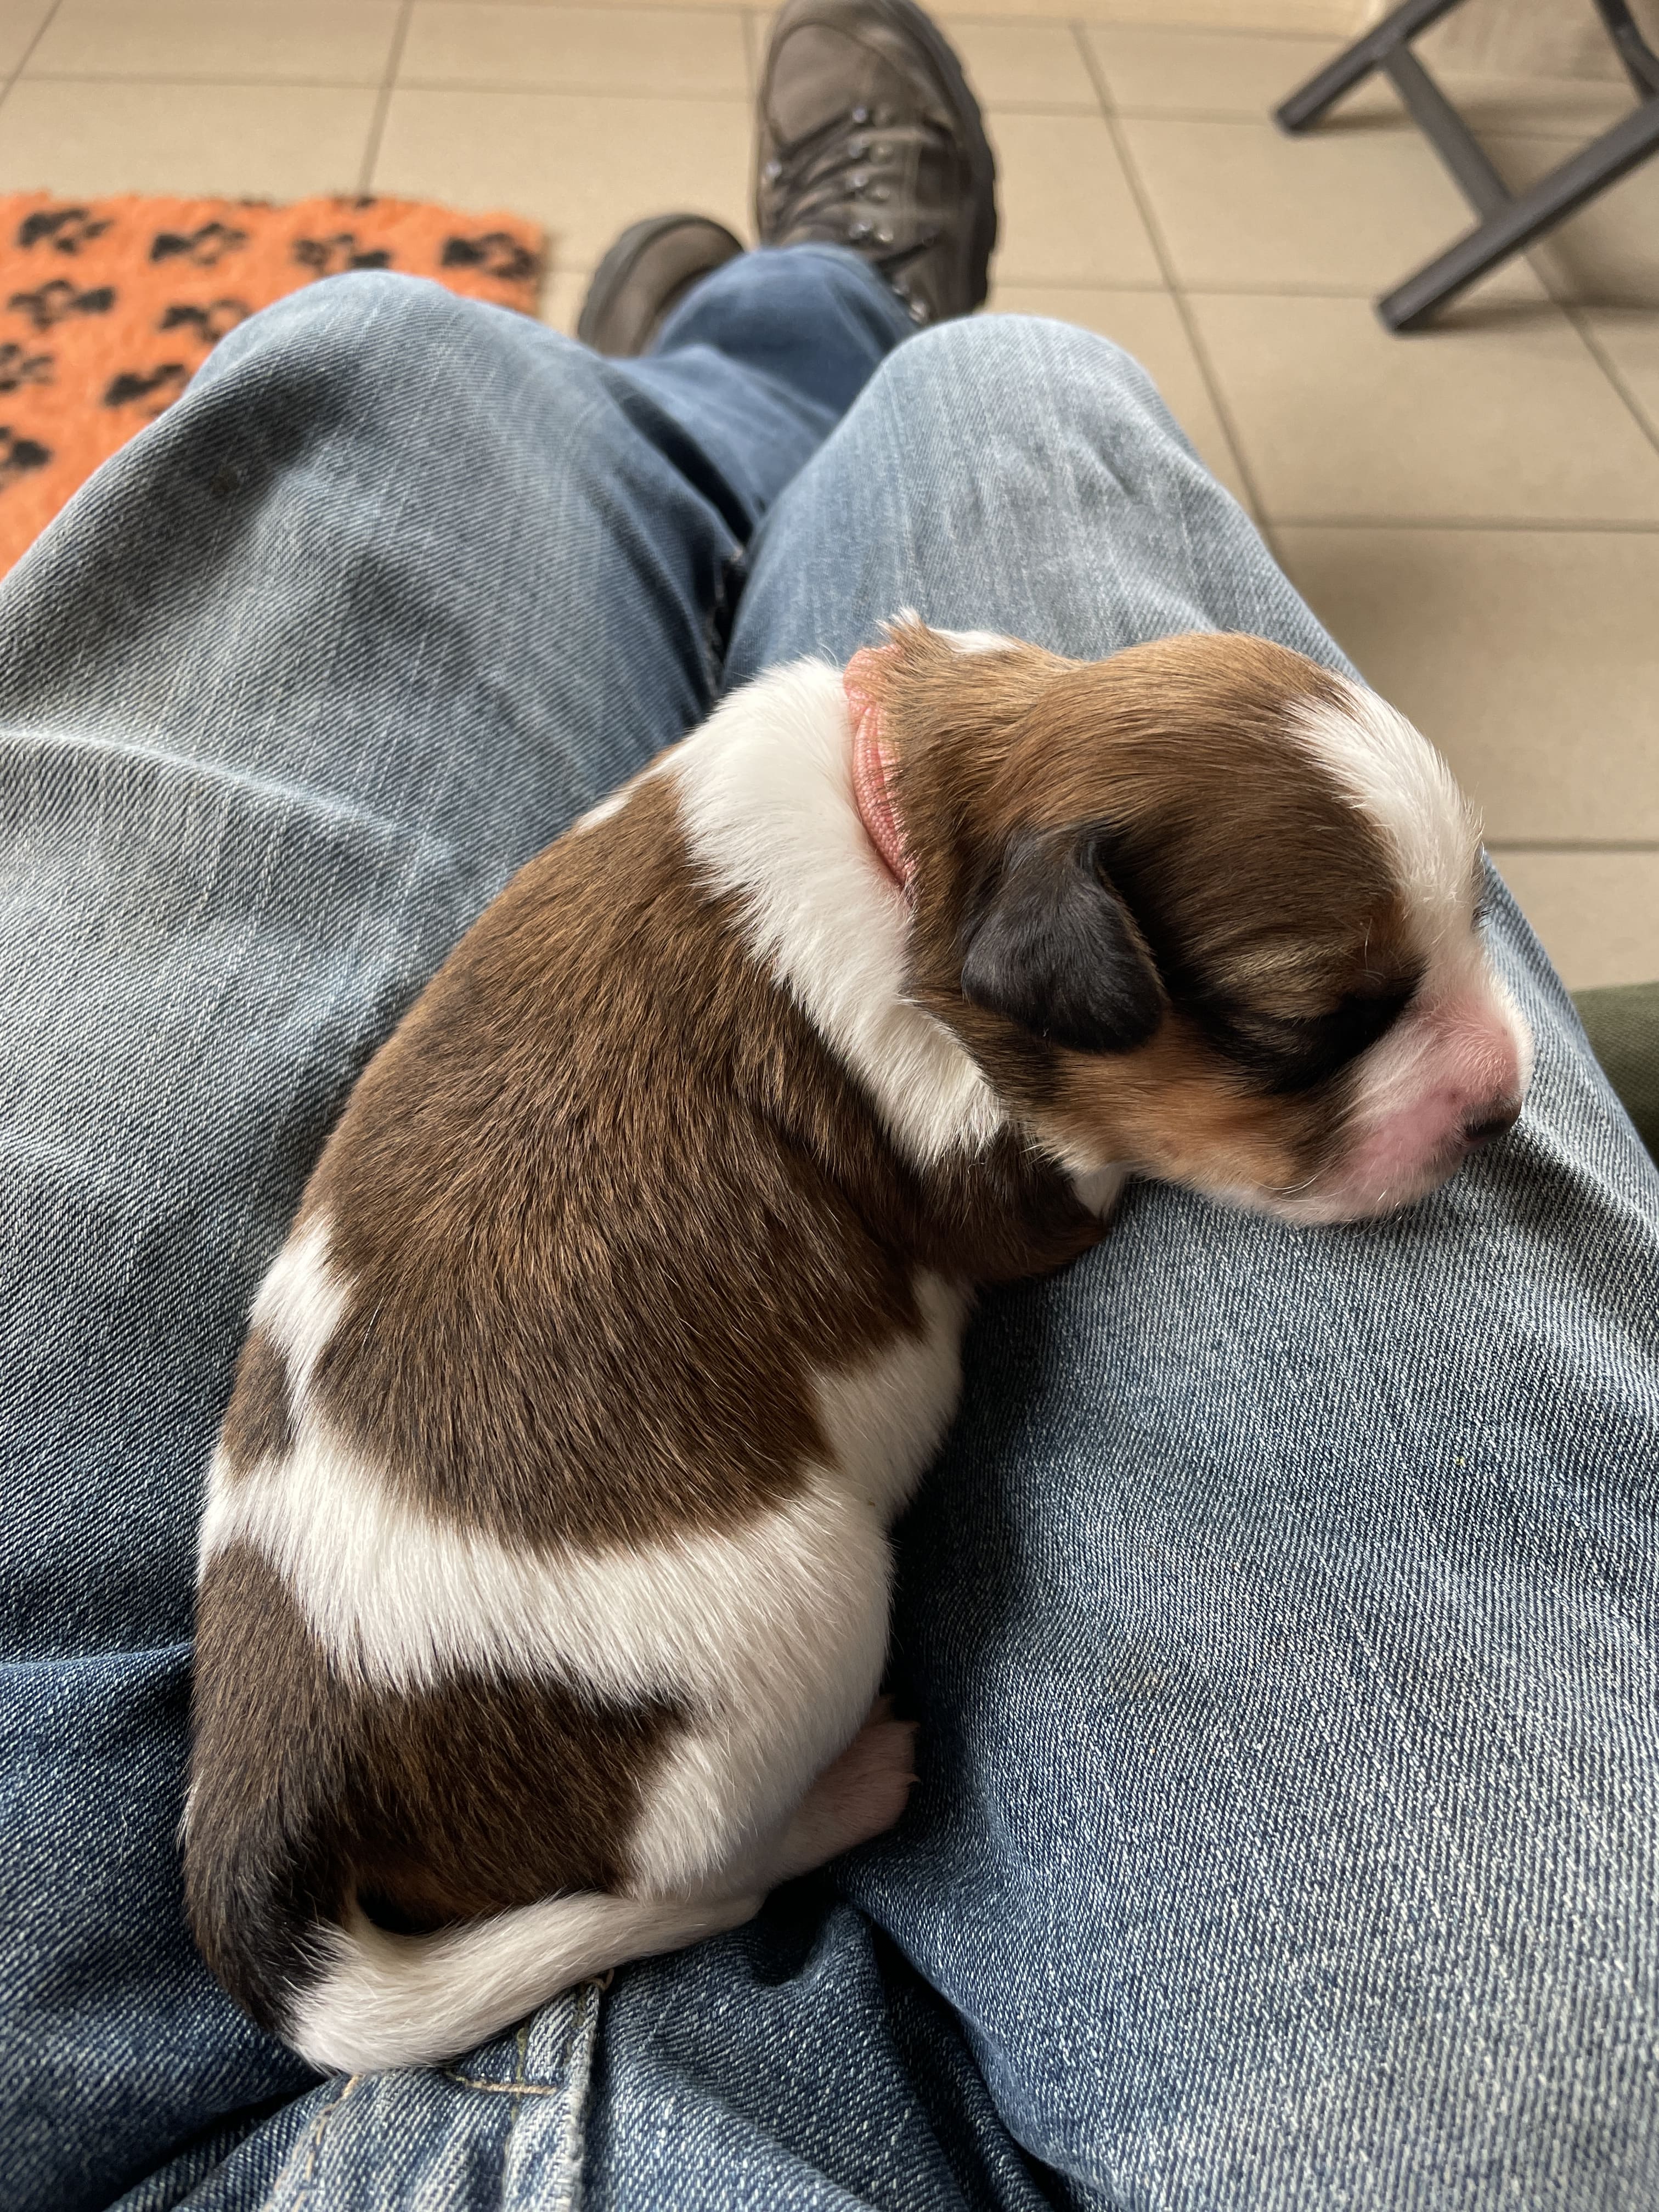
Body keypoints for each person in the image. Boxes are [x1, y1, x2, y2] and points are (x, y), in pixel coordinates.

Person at [2, 1, 1655, 2204]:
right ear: (1036, 966)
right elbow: (1025, 1202)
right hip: (604, 1734)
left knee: (379, 370)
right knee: (1014, 404)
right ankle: (813, 349)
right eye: (1317, 1027)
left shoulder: (815, 796)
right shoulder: (980, 1047)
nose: (1487, 1071)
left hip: (212, 1841)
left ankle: (718, 391)